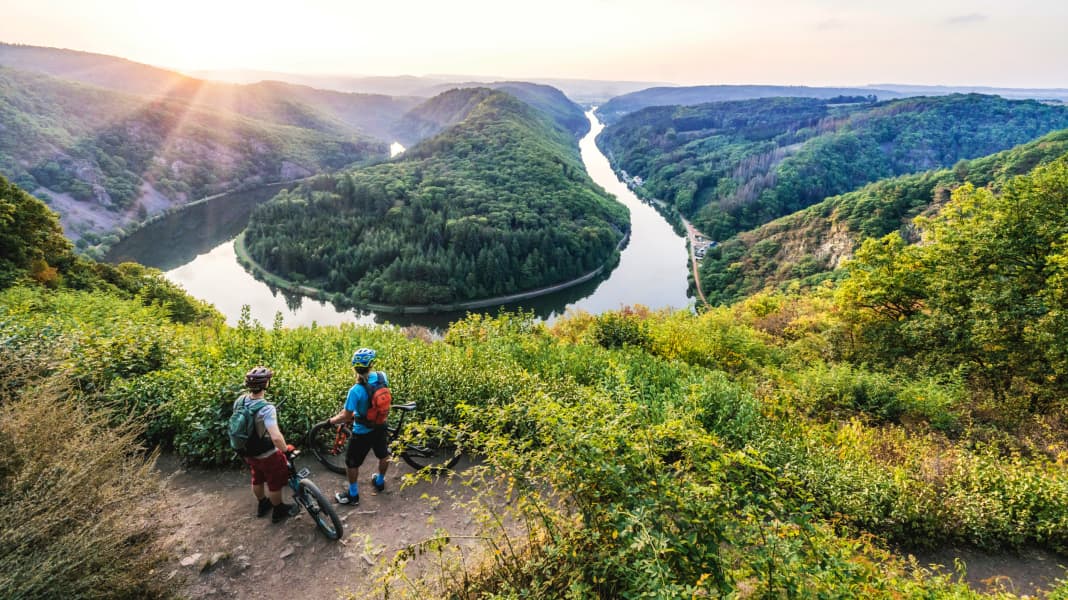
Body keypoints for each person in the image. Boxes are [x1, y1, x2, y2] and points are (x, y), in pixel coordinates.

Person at [321, 347, 390, 506]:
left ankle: (353, 495)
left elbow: (346, 416)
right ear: (371, 365)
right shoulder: (382, 377)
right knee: (383, 454)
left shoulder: (355, 390)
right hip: (381, 425)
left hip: (362, 431)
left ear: (355, 368)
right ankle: (379, 482)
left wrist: (330, 422)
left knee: (352, 463)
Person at [235, 366, 299, 523]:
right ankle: (279, 510)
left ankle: (263, 504)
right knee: (274, 481)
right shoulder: (267, 408)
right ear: (266, 384)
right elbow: (276, 437)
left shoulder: (240, 400)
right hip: (267, 453)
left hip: (247, 450)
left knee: (257, 477)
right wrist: (286, 451)